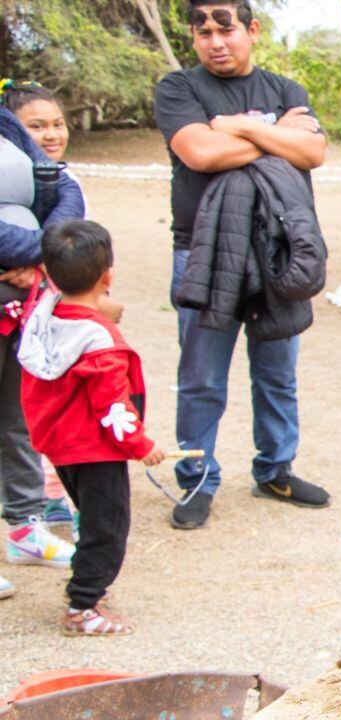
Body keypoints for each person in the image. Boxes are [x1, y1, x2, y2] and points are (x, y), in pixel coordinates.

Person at [153, 0, 328, 530]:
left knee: (277, 375)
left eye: (225, 28)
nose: (215, 40)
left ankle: (275, 468)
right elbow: (200, 155)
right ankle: (197, 480)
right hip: (203, 251)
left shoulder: (285, 89)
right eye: (202, 31)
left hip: (276, 250)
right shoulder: (177, 89)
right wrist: (276, 137)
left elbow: (314, 154)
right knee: (202, 377)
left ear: (251, 29)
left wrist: (229, 126)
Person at [18, 220, 166, 635]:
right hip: (96, 448)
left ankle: (88, 591)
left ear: (47, 273)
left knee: (92, 516)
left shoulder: (43, 315)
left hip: (60, 443)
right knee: (108, 526)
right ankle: (83, 606)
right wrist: (140, 445)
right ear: (108, 277)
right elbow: (112, 406)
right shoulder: (98, 340)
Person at [2, 78, 124, 532]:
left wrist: (34, 265)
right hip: (18, 318)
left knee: (48, 413)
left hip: (57, 322)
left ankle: (48, 501)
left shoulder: (66, 182)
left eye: (57, 123)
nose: (52, 134)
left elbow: (69, 249)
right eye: (37, 126)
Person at [0, 98, 84, 600]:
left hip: (20, 305)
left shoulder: (6, 121)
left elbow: (63, 186)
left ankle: (25, 528)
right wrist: (44, 252)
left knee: (17, 419)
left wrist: (46, 253)